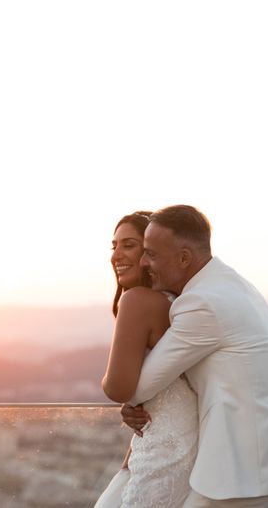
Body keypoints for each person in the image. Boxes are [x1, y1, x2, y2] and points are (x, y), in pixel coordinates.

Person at [121, 205, 268, 508]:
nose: (144, 262)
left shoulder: (201, 303)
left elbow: (136, 387)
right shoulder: (236, 285)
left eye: (152, 254)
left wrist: (131, 401)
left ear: (184, 257)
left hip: (243, 481)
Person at [95, 211, 199, 508]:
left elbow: (117, 388)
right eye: (113, 246)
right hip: (185, 451)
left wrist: (126, 396)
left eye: (128, 245)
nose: (117, 255)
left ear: (151, 253)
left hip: (162, 455)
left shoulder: (137, 301)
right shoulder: (175, 304)